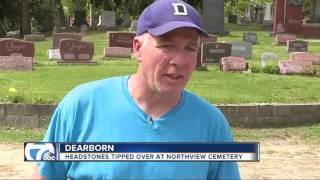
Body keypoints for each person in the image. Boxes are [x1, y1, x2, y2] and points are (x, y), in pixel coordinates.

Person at [34, 0, 240, 179]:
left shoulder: (212, 124)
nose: (179, 60)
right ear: (138, 48)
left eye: (190, 48)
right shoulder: (80, 107)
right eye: (167, 45)